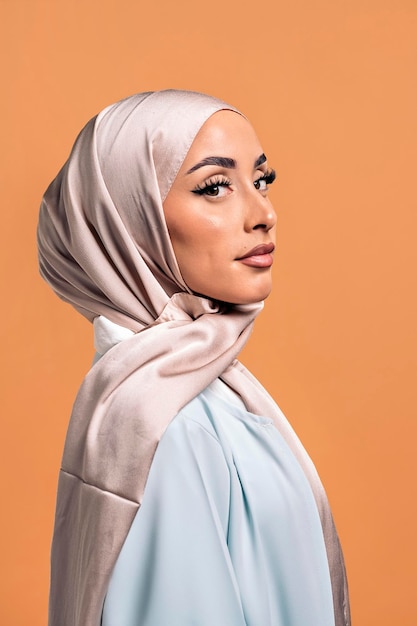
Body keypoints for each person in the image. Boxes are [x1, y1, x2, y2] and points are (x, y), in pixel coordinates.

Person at [37, 90, 350, 626]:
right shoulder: (168, 424)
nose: (263, 214)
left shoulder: (192, 390)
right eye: (214, 187)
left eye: (262, 180)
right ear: (129, 222)